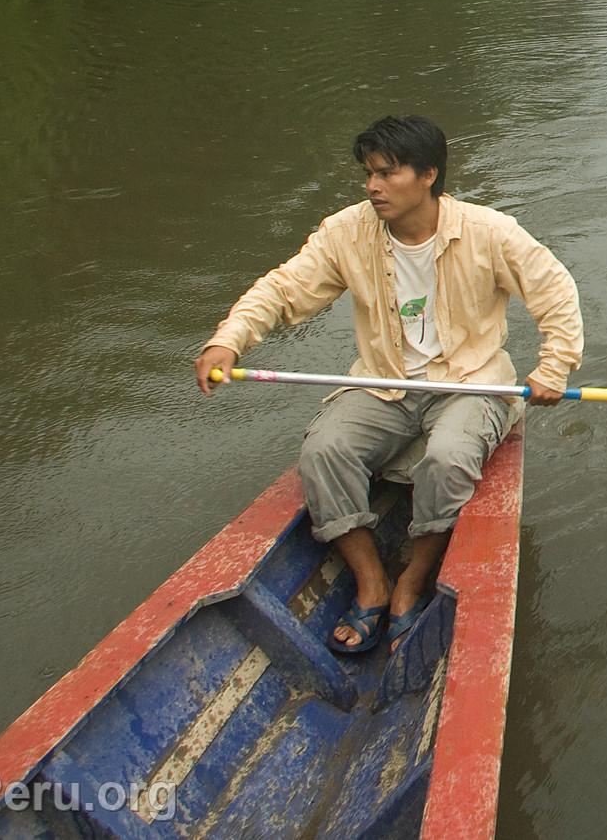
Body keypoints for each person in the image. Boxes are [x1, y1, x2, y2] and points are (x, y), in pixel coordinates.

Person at [194, 115, 583, 653]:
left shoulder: (490, 232)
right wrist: (229, 339)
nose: (372, 186)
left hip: (471, 384)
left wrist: (552, 368)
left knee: (447, 458)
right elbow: (284, 290)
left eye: (387, 173)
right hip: (385, 383)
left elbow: (556, 294)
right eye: (368, 174)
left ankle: (413, 576)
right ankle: (372, 580)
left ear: (428, 175)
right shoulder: (346, 232)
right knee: (324, 451)